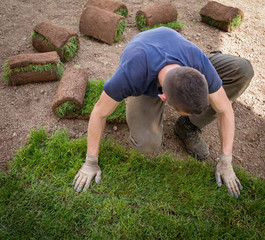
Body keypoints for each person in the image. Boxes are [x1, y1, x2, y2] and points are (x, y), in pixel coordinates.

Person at [72, 27, 254, 197]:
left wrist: (226, 161)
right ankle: (139, 102)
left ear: (202, 77)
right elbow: (99, 112)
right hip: (144, 72)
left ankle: (187, 127)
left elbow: (224, 110)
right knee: (147, 144)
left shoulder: (198, 63)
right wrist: (90, 162)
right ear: (163, 97)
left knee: (243, 70)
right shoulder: (131, 75)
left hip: (178, 55)